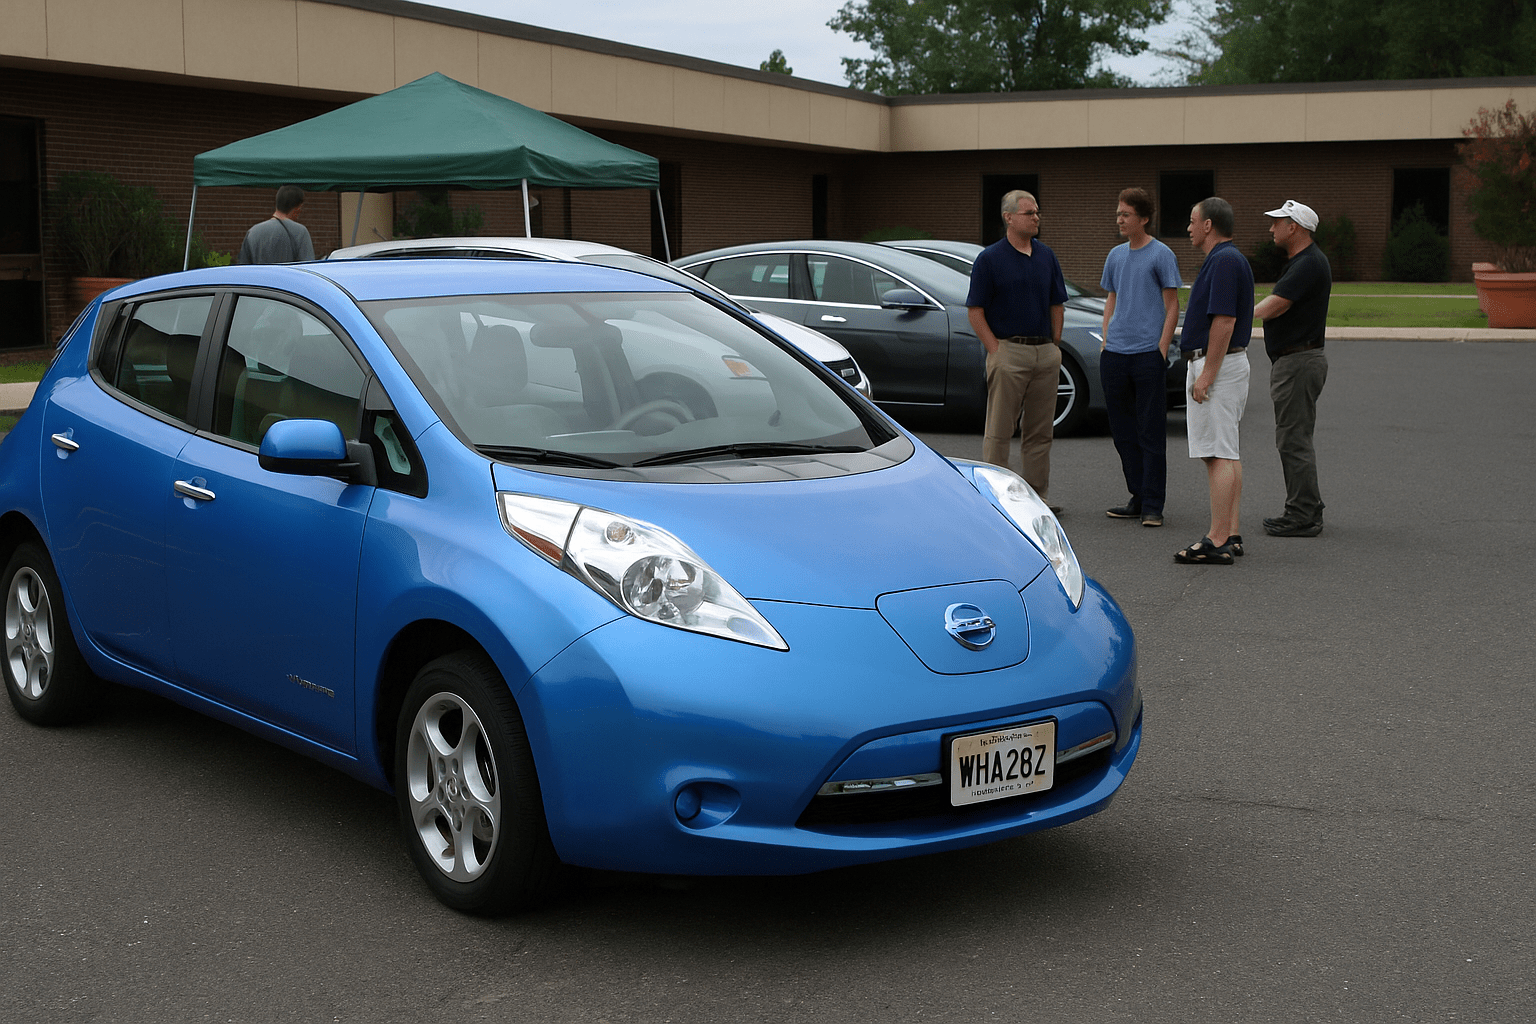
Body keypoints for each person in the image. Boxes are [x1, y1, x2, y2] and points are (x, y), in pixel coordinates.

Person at [966, 190, 1069, 512]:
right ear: (1009, 218)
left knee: (1040, 433)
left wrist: (1055, 346)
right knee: (999, 430)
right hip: (1009, 351)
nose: (1036, 217)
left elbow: (1057, 303)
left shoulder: (1046, 256)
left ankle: (1037, 497)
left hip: (1044, 354)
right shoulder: (990, 259)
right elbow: (975, 310)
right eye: (1029, 213)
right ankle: (997, 498)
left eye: (1037, 212)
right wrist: (995, 350)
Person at [1174, 197, 1253, 566]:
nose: (1189, 227)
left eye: (1192, 221)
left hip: (1216, 366)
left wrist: (1206, 375)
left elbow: (1224, 321)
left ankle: (1217, 538)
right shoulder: (1230, 259)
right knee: (1227, 451)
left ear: (1209, 226)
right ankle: (1231, 531)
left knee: (1217, 454)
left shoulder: (1222, 260)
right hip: (1230, 365)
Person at [1098, 187, 1182, 528]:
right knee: (1123, 432)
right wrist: (1105, 340)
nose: (1120, 219)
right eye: (1118, 213)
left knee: (1150, 432)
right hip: (1114, 354)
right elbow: (1111, 299)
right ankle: (1137, 495)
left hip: (1147, 355)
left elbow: (1172, 304)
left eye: (1126, 214)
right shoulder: (1116, 255)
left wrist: (1162, 348)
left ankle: (1153, 505)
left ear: (1143, 219)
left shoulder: (1161, 254)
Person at [1255, 200, 1330, 537]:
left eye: (1277, 222)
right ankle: (1307, 506)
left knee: (1293, 440)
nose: (1272, 228)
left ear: (1294, 227)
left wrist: (1237, 314)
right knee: (1295, 437)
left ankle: (1302, 515)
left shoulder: (1308, 263)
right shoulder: (1304, 262)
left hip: (1298, 361)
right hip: (1297, 360)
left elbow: (1276, 305)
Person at [237, 185, 316, 265]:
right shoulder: (300, 232)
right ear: (298, 208)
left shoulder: (253, 232)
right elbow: (308, 267)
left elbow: (243, 267)